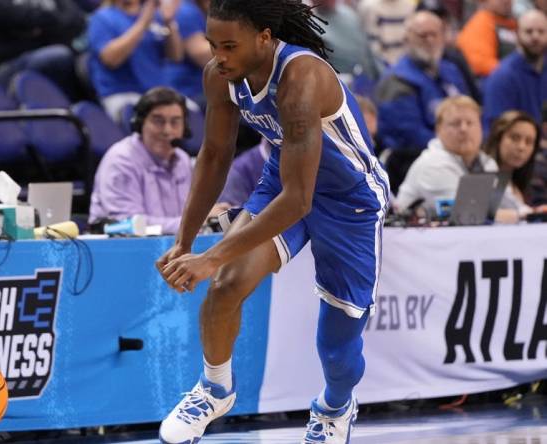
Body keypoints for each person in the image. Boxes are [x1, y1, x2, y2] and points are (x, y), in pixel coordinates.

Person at [155, 1, 390, 443]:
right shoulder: (219, 76)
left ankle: (335, 407)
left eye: (229, 45)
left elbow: (300, 201)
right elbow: (214, 156)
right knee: (225, 285)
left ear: (265, 37)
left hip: (349, 202)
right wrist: (185, 243)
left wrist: (209, 257)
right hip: (283, 183)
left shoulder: (302, 78)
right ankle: (215, 388)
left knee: (337, 351)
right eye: (211, 44)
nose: (218, 55)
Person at [89, 86, 228, 234]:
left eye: (175, 122)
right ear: (140, 123)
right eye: (158, 121)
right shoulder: (121, 160)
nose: (167, 131)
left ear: (184, 128)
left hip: (168, 246)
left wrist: (212, 214)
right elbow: (129, 223)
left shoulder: (182, 160)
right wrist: (198, 221)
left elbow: (186, 213)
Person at [374, 10, 470, 152]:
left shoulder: (451, 71)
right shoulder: (396, 80)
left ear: (443, 37)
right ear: (407, 40)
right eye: (422, 35)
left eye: (434, 34)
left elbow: (470, 111)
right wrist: (455, 147)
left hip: (455, 149)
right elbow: (411, 135)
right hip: (414, 158)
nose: (429, 40)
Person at [394, 96, 498, 216]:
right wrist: (509, 214)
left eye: (470, 123)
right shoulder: (432, 164)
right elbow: (466, 213)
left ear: (481, 128)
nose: (464, 129)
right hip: (410, 233)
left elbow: (508, 203)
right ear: (438, 130)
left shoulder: (487, 163)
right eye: (455, 124)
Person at [87, 0, 184, 122]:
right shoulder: (102, 18)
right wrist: (143, 23)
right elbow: (111, 60)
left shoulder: (156, 16)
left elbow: (175, 56)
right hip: (123, 94)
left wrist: (169, 21)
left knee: (195, 118)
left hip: (160, 92)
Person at [482, 9, 547, 130]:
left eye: (541, 31)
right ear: (516, 34)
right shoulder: (502, 77)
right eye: (529, 31)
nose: (535, 36)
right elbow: (497, 129)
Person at [483, 110, 547, 222]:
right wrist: (530, 214)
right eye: (515, 138)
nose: (521, 147)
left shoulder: (521, 184)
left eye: (529, 142)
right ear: (498, 138)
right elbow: (482, 215)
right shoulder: (483, 172)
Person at [456, 0, 518, 77]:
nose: (505, 1)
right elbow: (480, 64)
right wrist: (515, 72)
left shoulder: (511, 23)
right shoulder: (480, 24)